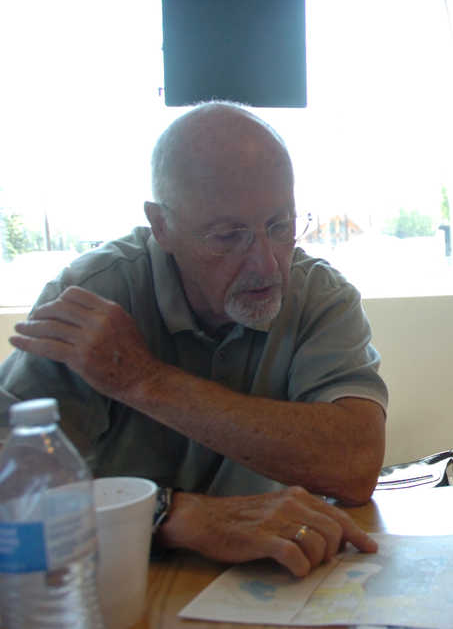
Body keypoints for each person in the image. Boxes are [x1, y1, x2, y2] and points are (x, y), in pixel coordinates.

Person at [0, 102, 388, 577]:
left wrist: (145, 381)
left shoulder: (318, 296)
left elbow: (355, 464)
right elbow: (9, 487)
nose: (266, 265)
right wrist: (171, 515)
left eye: (279, 226)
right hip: (116, 584)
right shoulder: (95, 297)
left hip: (268, 581)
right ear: (161, 226)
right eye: (228, 236)